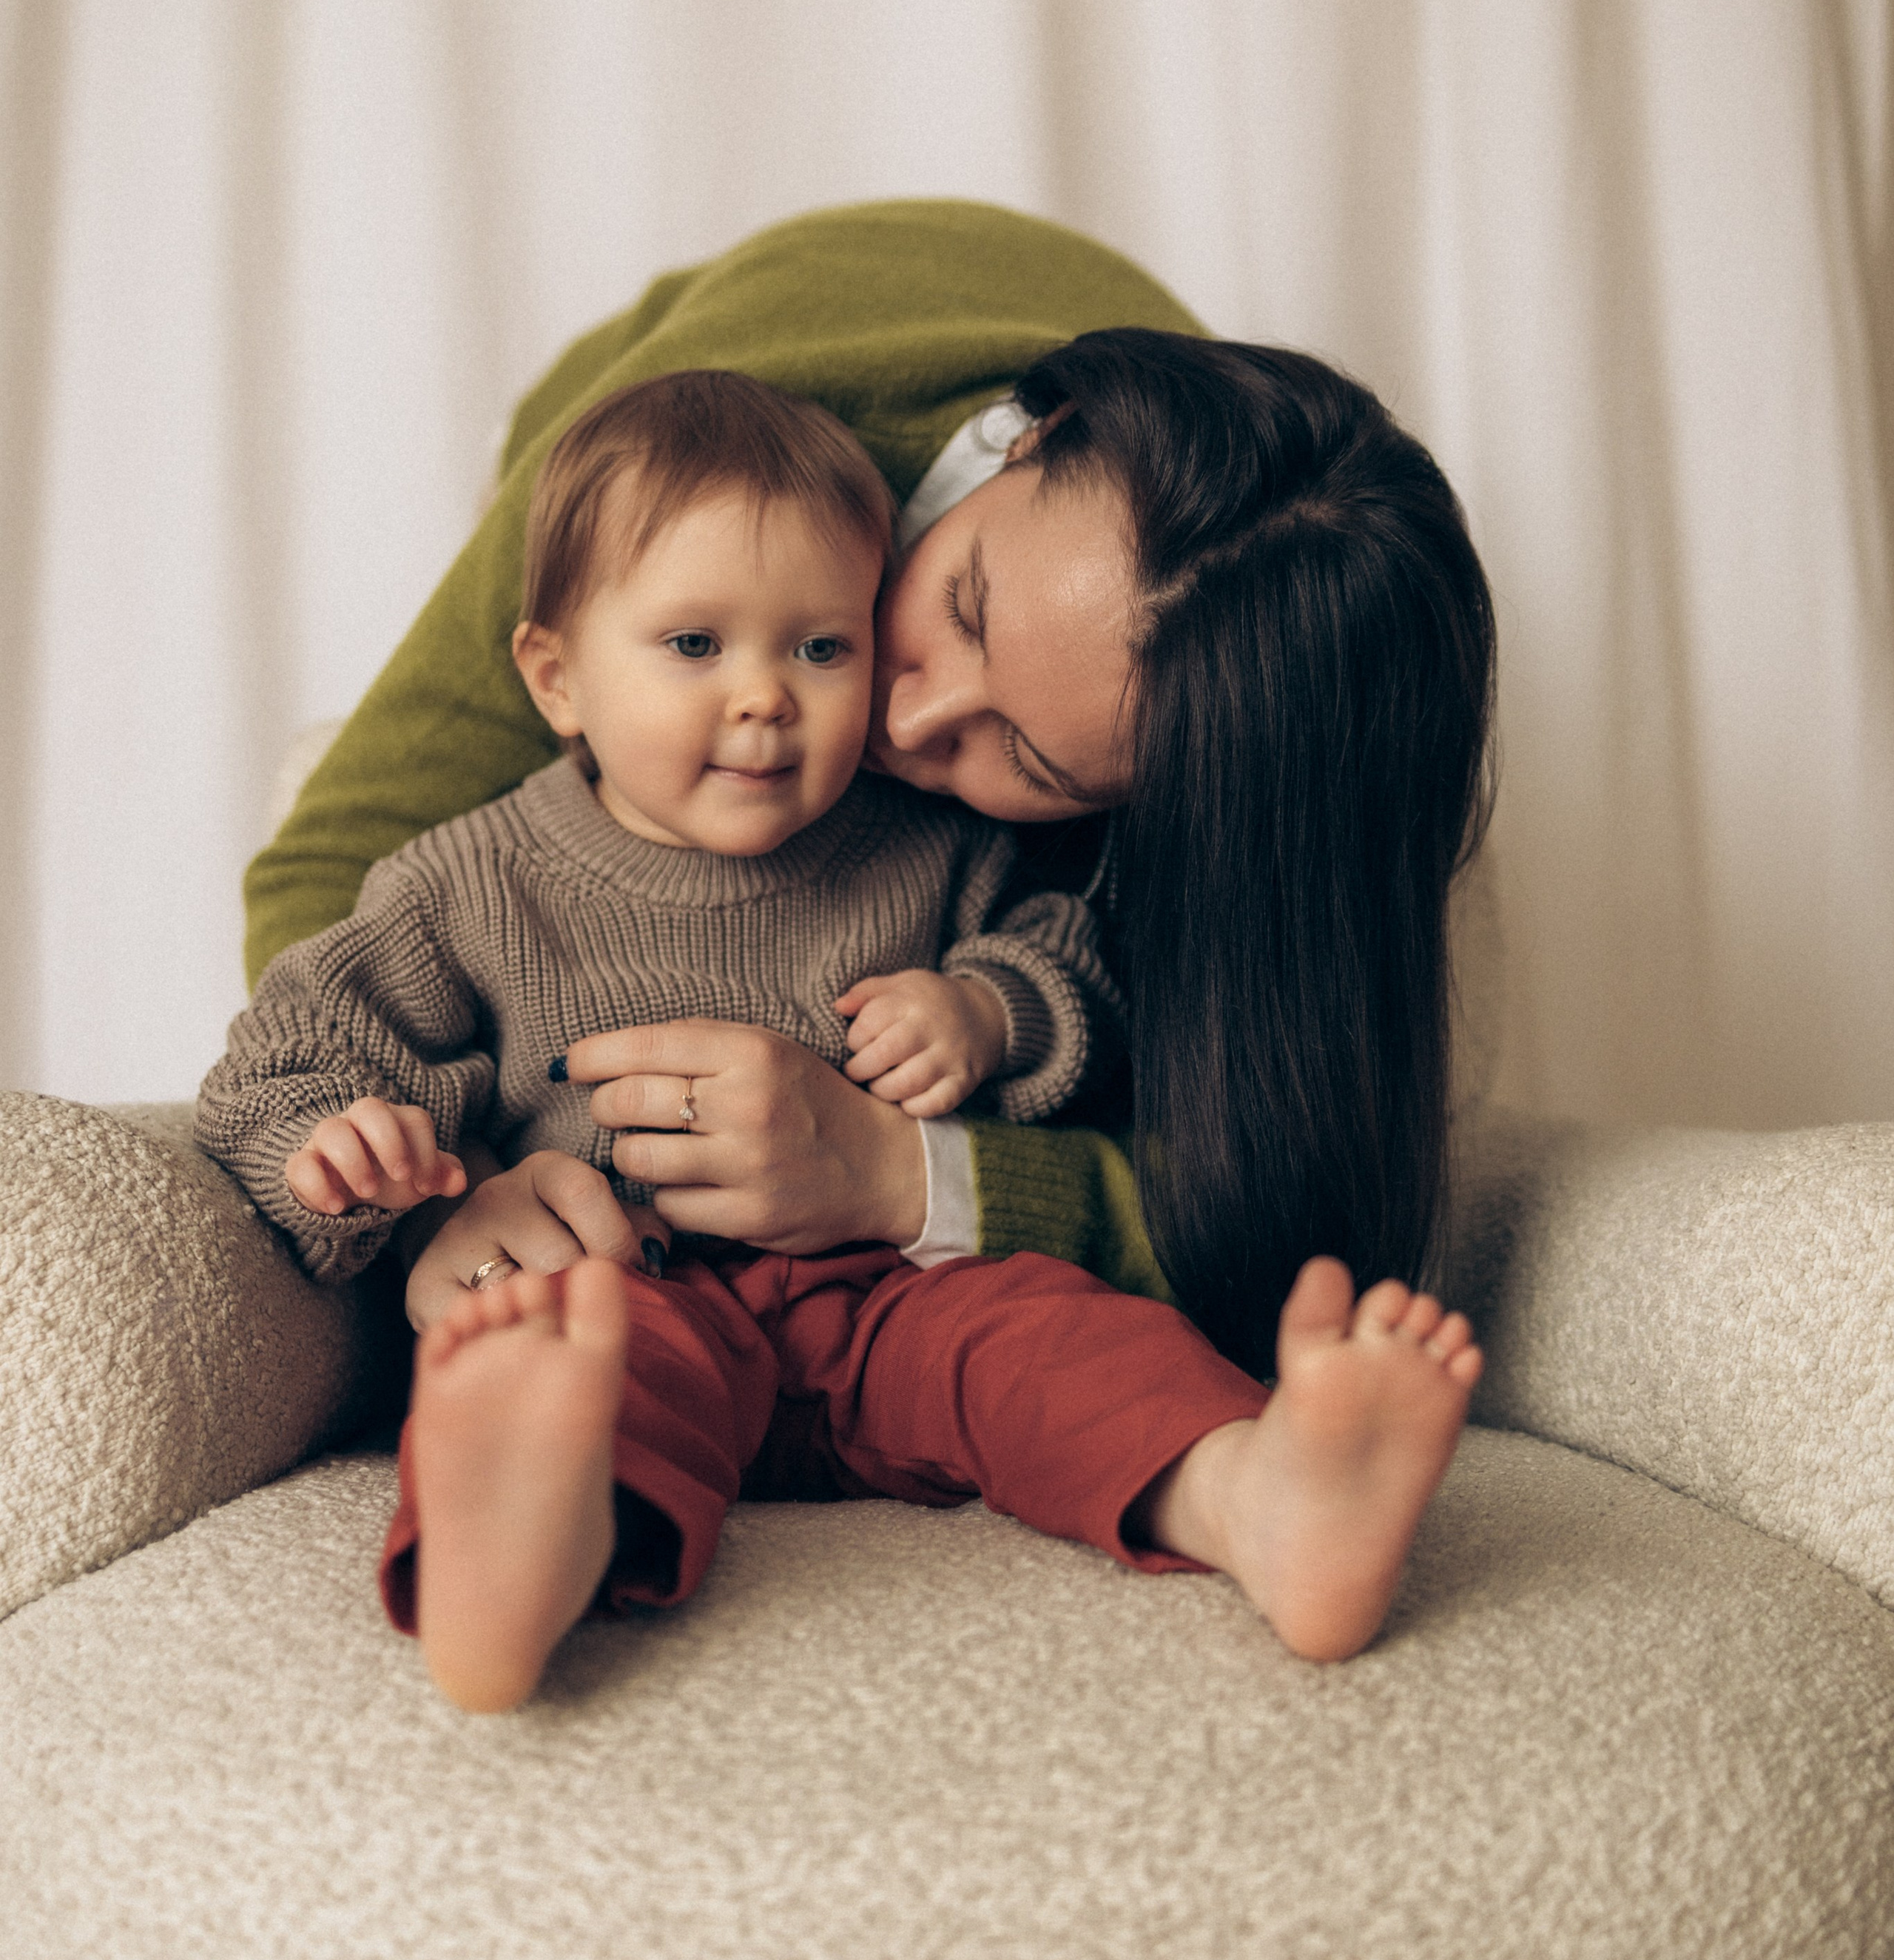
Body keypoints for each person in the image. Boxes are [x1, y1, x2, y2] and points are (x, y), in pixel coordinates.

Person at [200, 369, 1485, 1711]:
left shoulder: (934, 849)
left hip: (897, 1297)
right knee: (575, 1374)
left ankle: (1258, 1500)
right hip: (640, 1284)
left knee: (1057, 1343)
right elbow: (293, 1051)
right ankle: (512, 1559)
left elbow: (1083, 973)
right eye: (696, 647)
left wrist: (990, 1011)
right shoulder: (466, 882)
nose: (769, 700)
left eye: (822, 648)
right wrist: (365, 1163)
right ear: (556, 675)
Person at [247, 199, 1497, 1392]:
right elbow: (323, 881)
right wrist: (453, 1196)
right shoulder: (673, 481)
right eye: (957, 608)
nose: (900, 723)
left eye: (1032, 764)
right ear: (1032, 441)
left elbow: (1280, 1231)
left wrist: (905, 1173)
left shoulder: (1247, 740)